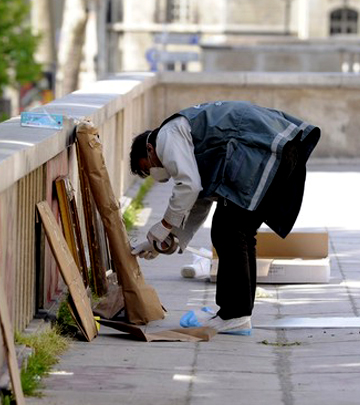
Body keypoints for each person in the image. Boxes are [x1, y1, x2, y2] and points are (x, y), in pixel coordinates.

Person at [129, 100, 321, 335]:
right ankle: (238, 313)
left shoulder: (166, 135)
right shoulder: (183, 138)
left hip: (265, 150)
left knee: (228, 229)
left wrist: (164, 225)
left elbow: (188, 186)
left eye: (147, 167)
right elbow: (198, 198)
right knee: (239, 230)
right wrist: (173, 238)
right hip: (277, 148)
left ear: (149, 149)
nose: (154, 172)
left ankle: (235, 314)